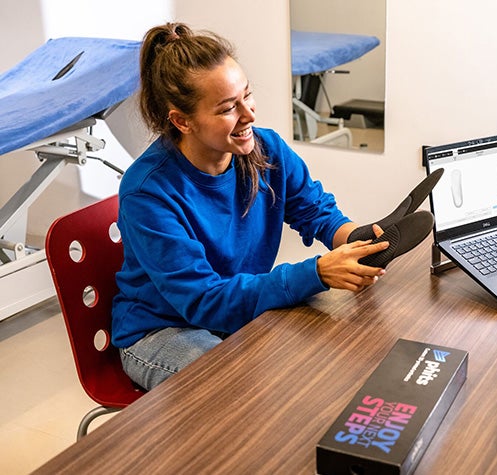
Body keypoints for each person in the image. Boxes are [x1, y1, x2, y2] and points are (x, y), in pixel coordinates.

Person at [111, 23, 437, 391]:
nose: (249, 115)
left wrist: (353, 239)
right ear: (181, 120)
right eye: (227, 109)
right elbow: (203, 301)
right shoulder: (148, 192)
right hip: (163, 329)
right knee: (239, 392)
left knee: (315, 369)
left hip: (232, 310)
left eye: (246, 96)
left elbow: (314, 211)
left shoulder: (266, 150)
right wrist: (317, 273)